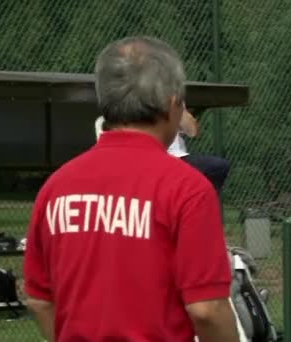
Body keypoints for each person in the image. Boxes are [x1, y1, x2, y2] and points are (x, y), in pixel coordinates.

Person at [23, 36, 239, 342]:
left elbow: (40, 300)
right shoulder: (187, 188)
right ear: (172, 105)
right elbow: (208, 310)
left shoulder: (56, 187)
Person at [96, 106, 230, 196]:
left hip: (180, 158)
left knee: (218, 167)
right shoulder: (139, 99)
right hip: (154, 156)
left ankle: (196, 208)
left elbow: (193, 132)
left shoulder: (172, 98)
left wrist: (178, 110)